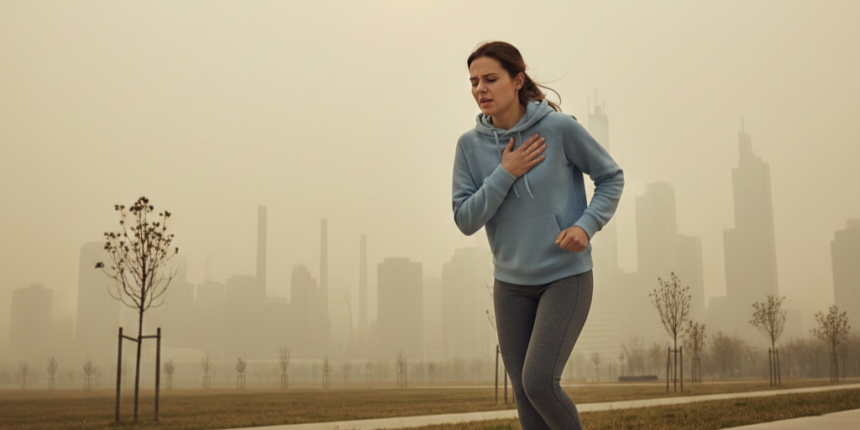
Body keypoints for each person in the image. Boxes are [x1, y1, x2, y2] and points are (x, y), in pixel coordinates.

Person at [451, 41, 624, 430]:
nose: (480, 88)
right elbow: (464, 218)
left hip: (565, 276)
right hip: (510, 284)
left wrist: (586, 224)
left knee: (539, 383)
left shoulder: (559, 129)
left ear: (517, 80)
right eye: (474, 81)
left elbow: (611, 176)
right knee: (526, 399)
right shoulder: (469, 147)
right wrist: (505, 173)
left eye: (490, 79)